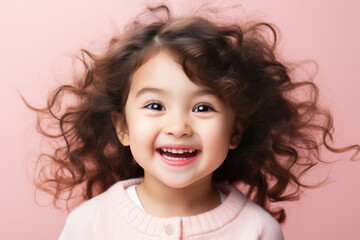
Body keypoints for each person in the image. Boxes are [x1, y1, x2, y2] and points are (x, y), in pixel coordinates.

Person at [27, 4, 358, 240]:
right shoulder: (90, 225)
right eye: (156, 105)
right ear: (123, 127)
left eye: (202, 108)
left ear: (235, 130)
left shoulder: (257, 230)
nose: (179, 126)